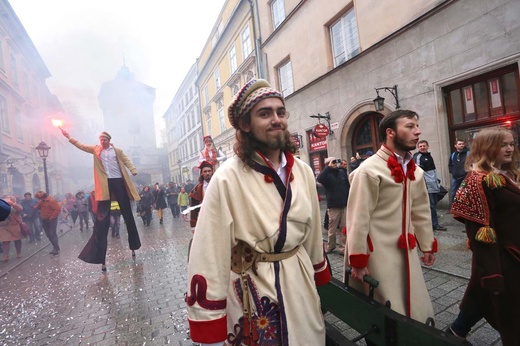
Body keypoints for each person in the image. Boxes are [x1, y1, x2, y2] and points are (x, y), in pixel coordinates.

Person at [186, 79, 331, 345]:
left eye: (280, 112)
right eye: (265, 114)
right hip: (252, 290)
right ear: (245, 124)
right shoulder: (227, 178)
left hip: (299, 283)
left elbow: (311, 235)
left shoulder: (303, 171)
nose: (277, 120)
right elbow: (209, 250)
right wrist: (209, 318)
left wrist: (317, 269)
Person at [345, 109, 438, 324]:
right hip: (378, 255)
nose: (418, 131)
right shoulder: (368, 170)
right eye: (410, 126)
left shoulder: (416, 171)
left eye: (417, 126)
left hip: (407, 252)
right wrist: (358, 260)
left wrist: (427, 245)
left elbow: (421, 211)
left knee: (414, 309)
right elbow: (358, 218)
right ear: (391, 132)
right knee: (384, 313)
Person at [448, 127, 520, 345]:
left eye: (512, 143)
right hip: (505, 260)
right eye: (503, 144)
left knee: (479, 299)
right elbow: (481, 235)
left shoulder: (510, 173)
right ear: (487, 147)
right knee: (511, 316)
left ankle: (457, 331)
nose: (510, 148)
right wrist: (492, 275)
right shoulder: (477, 180)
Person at [61, 130, 141, 272]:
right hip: (105, 184)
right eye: (100, 140)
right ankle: (99, 256)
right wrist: (69, 137)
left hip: (118, 181)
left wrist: (133, 169)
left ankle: (134, 244)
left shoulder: (117, 151)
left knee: (128, 214)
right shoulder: (96, 149)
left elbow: (126, 160)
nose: (102, 142)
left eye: (104, 140)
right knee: (101, 219)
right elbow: (81, 146)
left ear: (109, 140)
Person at [317, 156, 350, 254]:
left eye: (336, 162)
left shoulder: (341, 172)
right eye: (333, 162)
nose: (335, 163)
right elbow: (319, 178)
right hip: (333, 206)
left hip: (344, 205)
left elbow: (348, 187)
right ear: (328, 164)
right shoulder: (326, 176)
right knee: (332, 228)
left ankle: (343, 248)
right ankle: (330, 246)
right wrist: (328, 168)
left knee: (344, 228)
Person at [413, 140, 447, 231]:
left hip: (433, 183)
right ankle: (434, 224)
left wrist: (436, 180)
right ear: (418, 148)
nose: (422, 147)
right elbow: (418, 171)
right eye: (420, 146)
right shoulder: (418, 157)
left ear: (428, 146)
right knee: (431, 205)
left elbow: (432, 170)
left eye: (424, 146)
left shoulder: (428, 156)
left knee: (434, 203)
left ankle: (431, 222)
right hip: (427, 185)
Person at [189, 161, 213, 230]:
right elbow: (194, 208)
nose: (207, 173)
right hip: (205, 220)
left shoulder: (219, 185)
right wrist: (193, 226)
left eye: (209, 171)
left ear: (212, 172)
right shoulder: (198, 188)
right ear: (201, 173)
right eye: (205, 171)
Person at [0, 196, 24, 262]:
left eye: (10, 199)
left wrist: (13, 204)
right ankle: (5, 256)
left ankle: (18, 253)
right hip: (4, 225)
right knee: (5, 241)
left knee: (17, 240)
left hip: (15, 225)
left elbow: (20, 209)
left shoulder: (16, 205)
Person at [448, 139, 469, 204]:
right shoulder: (453, 154)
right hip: (456, 178)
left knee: (466, 193)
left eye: (462, 144)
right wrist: (453, 171)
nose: (461, 145)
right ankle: (454, 208)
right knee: (454, 193)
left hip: (466, 177)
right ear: (455, 146)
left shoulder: (468, 153)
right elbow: (450, 165)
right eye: (459, 144)